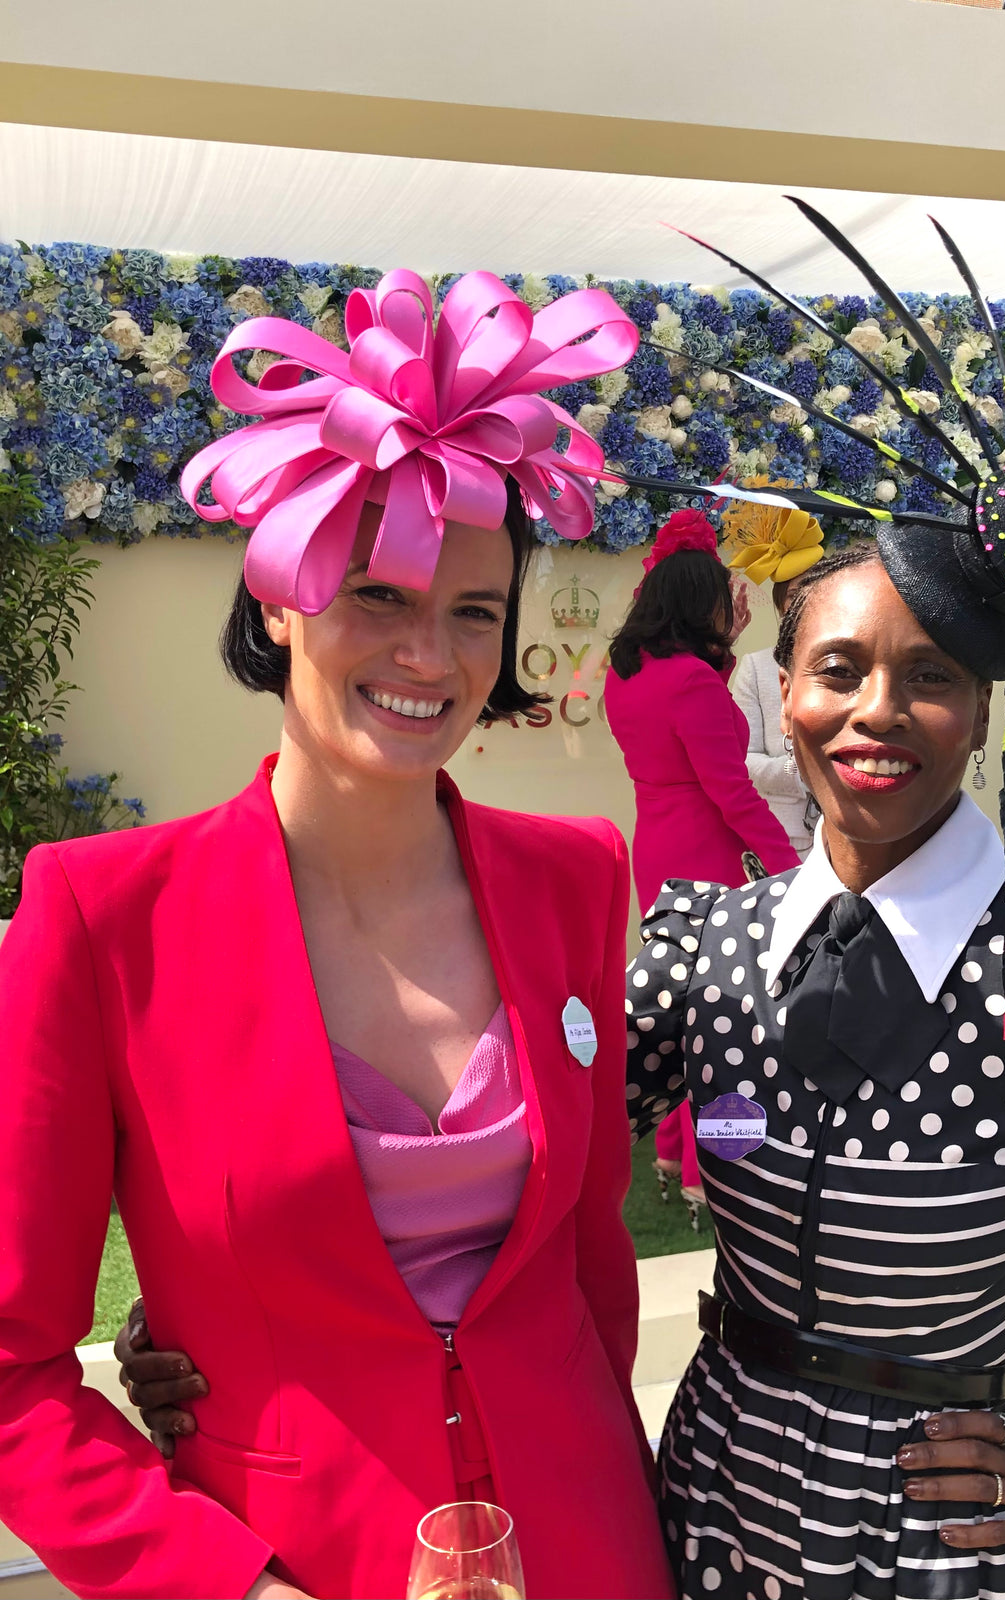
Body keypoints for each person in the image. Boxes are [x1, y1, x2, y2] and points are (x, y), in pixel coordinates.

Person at [0, 270, 674, 1600]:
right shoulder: (101, 917)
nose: (430, 655)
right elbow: (13, 1375)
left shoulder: (579, 880)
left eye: (474, 610)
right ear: (275, 600)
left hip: (591, 1545)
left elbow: (592, 1263)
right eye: (377, 594)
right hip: (297, 1569)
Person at [608, 197, 1005, 1599]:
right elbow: (489, 1168)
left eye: (929, 674)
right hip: (714, 1530)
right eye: (839, 670)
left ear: (983, 711)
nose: (877, 712)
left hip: (955, 1559)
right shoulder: (707, 953)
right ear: (786, 689)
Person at [604, 509, 799, 1223]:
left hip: (656, 846)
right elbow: (735, 796)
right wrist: (788, 873)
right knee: (725, 1022)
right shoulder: (691, 682)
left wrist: (720, 649)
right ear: (700, 605)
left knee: (676, 1002)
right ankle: (711, 1168)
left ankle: (667, 1150)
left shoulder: (628, 673)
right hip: (707, 854)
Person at [725, 497, 826, 859]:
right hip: (785, 841)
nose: (806, 606)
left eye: (818, 594)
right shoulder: (756, 667)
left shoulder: (854, 666)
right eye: (797, 596)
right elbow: (742, 759)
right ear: (781, 605)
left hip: (850, 837)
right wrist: (805, 773)